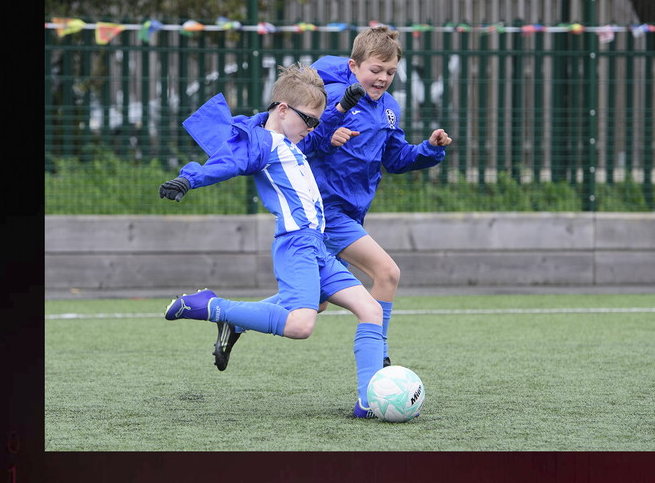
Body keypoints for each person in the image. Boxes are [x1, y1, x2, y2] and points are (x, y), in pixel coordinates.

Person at [158, 63, 384, 418]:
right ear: (281, 110)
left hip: (318, 247)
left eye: (313, 122)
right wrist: (191, 178)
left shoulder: (292, 137)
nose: (311, 128)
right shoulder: (263, 143)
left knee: (370, 310)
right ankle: (210, 306)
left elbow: (319, 131)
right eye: (307, 120)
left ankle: (370, 403)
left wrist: (338, 109)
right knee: (300, 324)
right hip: (296, 244)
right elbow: (228, 162)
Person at [299, 26, 453, 368]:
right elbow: (299, 142)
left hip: (351, 214)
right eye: (375, 70)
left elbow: (396, 159)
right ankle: (378, 359)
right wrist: (327, 134)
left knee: (312, 304)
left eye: (390, 72)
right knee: (387, 273)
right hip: (323, 210)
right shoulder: (333, 98)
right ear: (354, 66)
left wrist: (429, 148)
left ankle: (229, 316)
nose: (382, 78)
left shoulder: (389, 109)